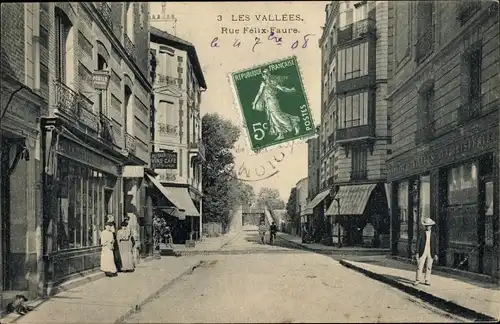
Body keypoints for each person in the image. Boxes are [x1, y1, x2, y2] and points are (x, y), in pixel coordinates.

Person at [251, 69, 301, 140]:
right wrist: (254, 103)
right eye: (264, 74)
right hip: (267, 103)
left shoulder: (273, 81)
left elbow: (282, 88)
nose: (265, 75)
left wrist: (290, 90)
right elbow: (259, 94)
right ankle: (281, 134)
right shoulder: (263, 83)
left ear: (269, 74)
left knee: (278, 116)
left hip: (273, 101)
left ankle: (294, 123)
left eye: (266, 74)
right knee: (273, 118)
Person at [414, 217, 438, 286]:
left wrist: (435, 254)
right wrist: (417, 252)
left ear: (431, 226)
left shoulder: (433, 234)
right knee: (419, 266)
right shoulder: (421, 233)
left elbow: (434, 245)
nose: (428, 227)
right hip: (422, 251)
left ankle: (427, 280)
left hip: (430, 252)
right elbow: (418, 243)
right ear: (425, 226)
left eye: (429, 225)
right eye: (427, 225)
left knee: (429, 266)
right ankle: (417, 280)